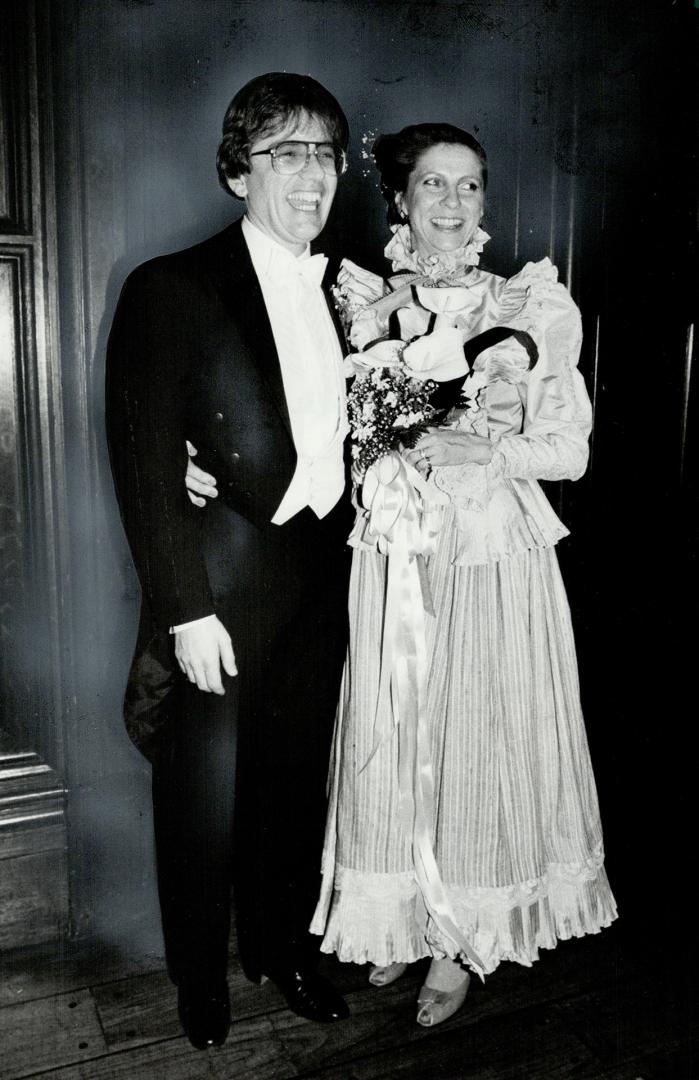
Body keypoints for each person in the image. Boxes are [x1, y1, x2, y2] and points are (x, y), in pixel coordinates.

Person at [306, 123, 618, 1026]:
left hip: (488, 561)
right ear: (398, 201)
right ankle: (402, 913)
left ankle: (462, 940)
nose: (451, 203)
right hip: (397, 556)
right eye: (432, 186)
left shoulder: (528, 302)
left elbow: (569, 452)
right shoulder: (357, 301)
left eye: (469, 186)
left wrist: (486, 453)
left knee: (476, 738)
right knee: (397, 732)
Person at [105, 72, 355, 1051]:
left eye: (325, 154)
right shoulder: (173, 286)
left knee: (297, 783)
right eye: (285, 153)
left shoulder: (353, 289)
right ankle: (201, 984)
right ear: (238, 170)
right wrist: (185, 608)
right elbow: (141, 463)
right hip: (220, 583)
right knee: (202, 797)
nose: (311, 175)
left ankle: (284, 951)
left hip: (321, 576)